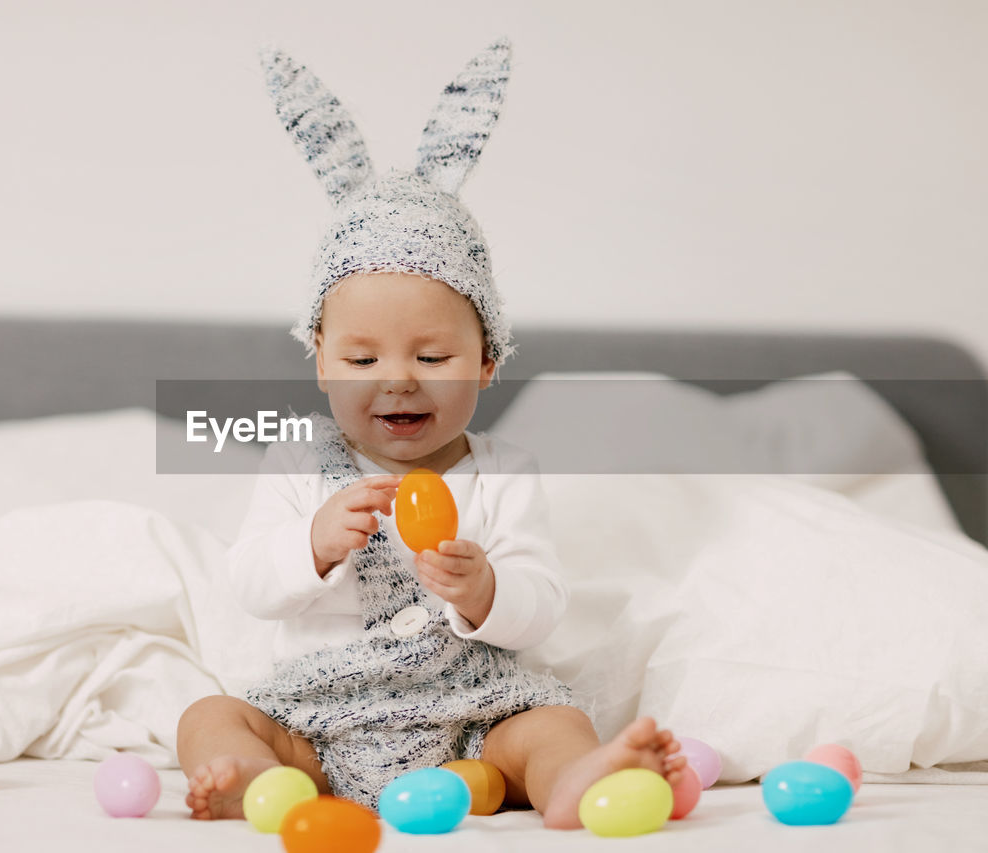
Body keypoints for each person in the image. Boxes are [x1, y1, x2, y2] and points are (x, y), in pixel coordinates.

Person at [176, 37, 686, 829]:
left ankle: (570, 777)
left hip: (473, 712)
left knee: (551, 723)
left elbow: (543, 602)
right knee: (208, 714)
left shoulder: (505, 471)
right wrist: (311, 542)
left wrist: (485, 590)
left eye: (434, 353)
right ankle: (253, 777)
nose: (398, 377)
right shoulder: (298, 463)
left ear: (487, 363)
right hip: (325, 711)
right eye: (361, 355)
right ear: (319, 362)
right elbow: (249, 582)